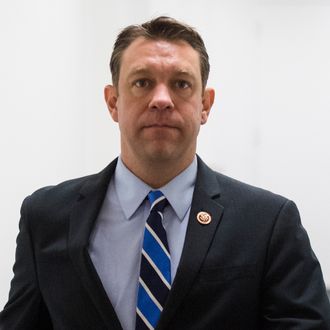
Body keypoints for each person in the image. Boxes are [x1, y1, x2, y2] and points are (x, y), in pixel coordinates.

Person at [0, 16, 329, 330]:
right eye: (142, 83)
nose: (161, 99)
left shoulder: (267, 223)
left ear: (205, 105)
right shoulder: (46, 217)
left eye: (181, 84)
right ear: (113, 101)